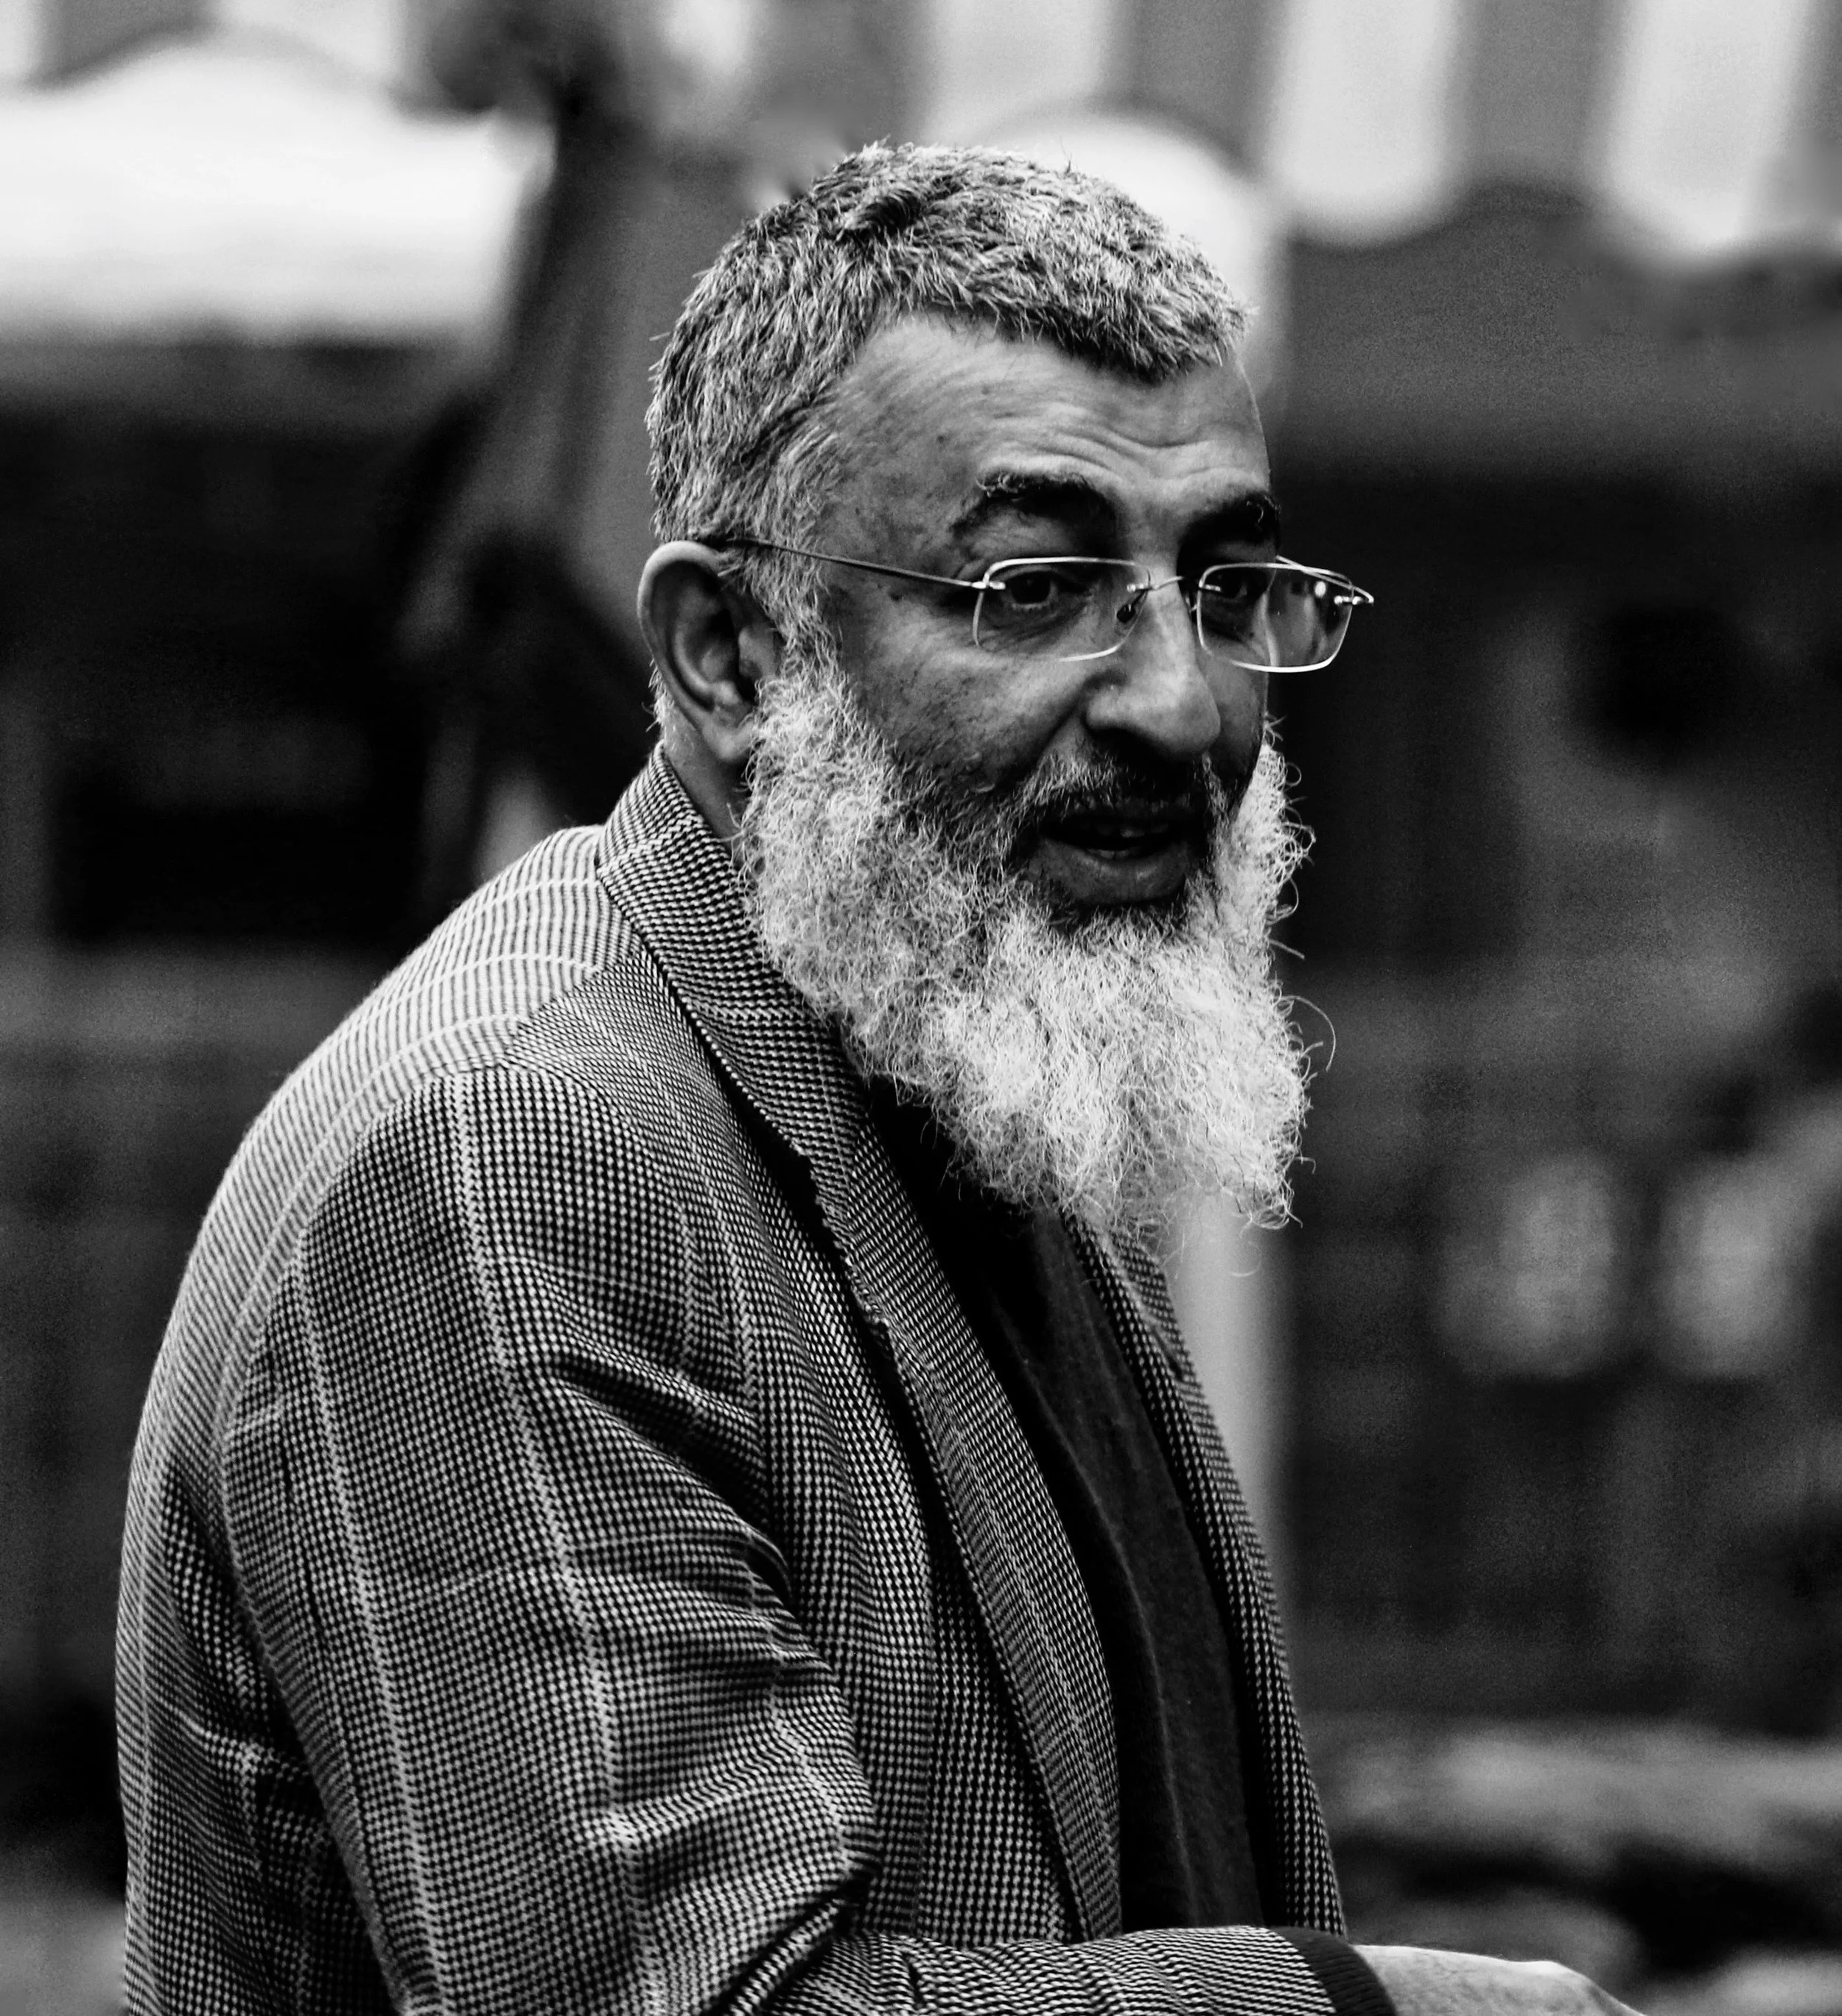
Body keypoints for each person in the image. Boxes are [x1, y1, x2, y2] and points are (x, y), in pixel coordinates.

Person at [118, 144, 1633, 2015]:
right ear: (728, 654)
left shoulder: (963, 1049)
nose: (1178, 702)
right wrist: (1367, 2007)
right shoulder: (515, 1149)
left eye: (1225, 582)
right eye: (1034, 587)